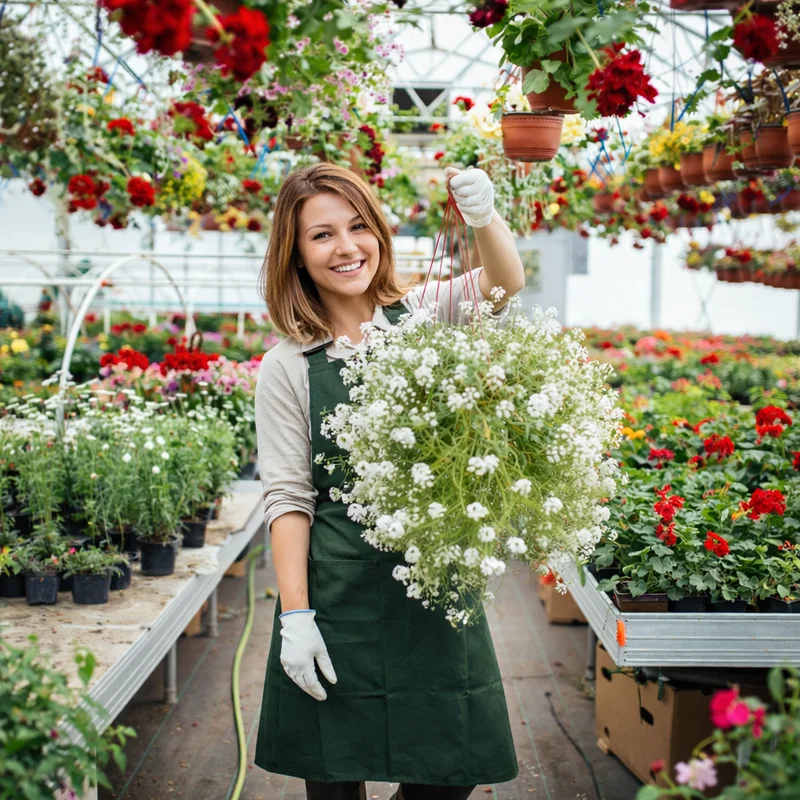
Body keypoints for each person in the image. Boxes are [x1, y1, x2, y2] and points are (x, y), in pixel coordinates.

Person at [253, 162, 525, 800]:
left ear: (378, 231)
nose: (346, 248)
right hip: (336, 594)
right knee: (333, 778)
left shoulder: (427, 314)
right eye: (321, 236)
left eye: (357, 227)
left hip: (431, 587)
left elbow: (505, 284)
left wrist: (483, 217)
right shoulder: (287, 365)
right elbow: (289, 499)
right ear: (294, 255)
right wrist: (296, 617)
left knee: (445, 774)